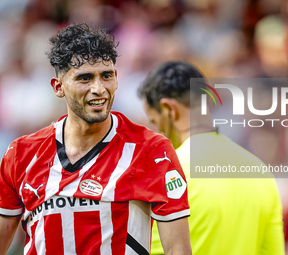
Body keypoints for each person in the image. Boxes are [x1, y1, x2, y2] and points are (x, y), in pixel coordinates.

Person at [0, 24, 191, 255]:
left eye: (106, 76)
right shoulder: (21, 154)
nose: (99, 88)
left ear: (117, 79)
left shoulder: (152, 150)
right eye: (85, 78)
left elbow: (178, 250)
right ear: (58, 87)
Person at [138, 61, 285, 255]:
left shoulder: (165, 174)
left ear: (169, 109)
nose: (155, 132)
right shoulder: (259, 171)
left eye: (155, 122)